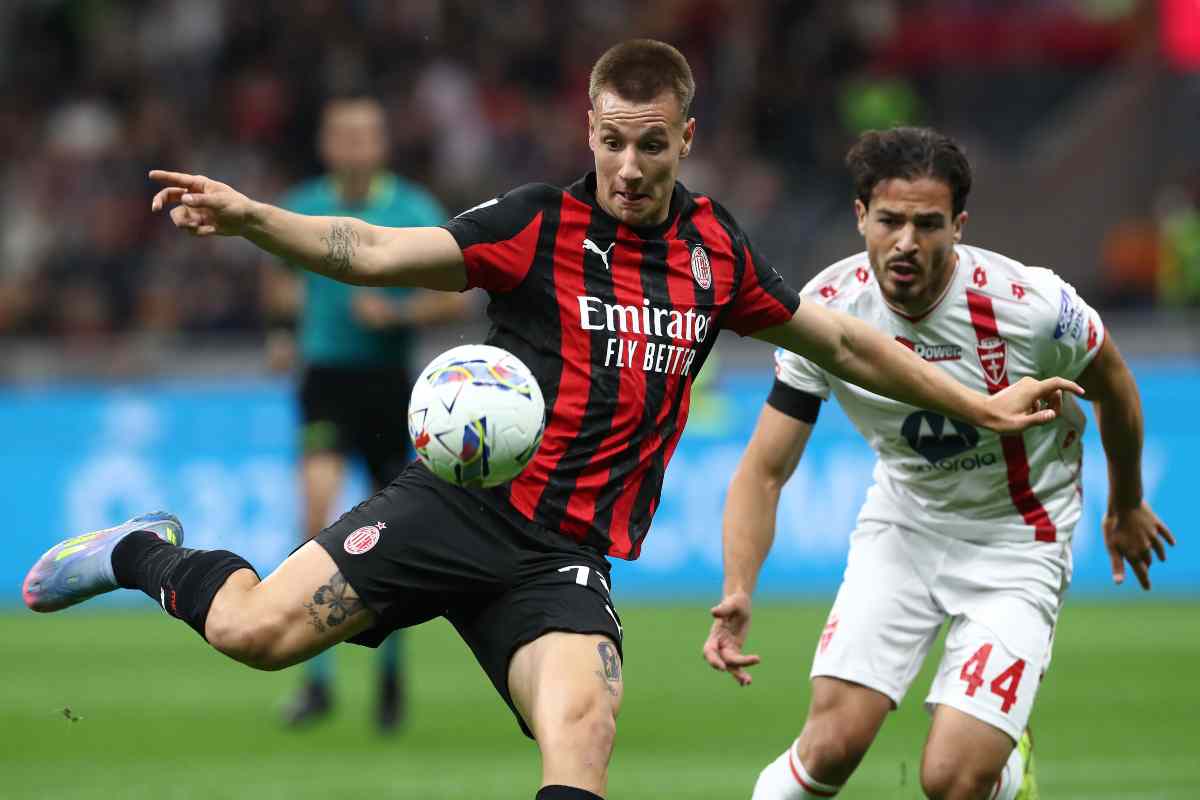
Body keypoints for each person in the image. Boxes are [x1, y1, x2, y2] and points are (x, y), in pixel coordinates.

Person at [24, 43, 1077, 800]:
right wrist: (255, 219)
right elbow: (376, 250)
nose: (629, 165)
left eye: (652, 145)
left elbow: (846, 342)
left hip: (561, 557)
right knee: (253, 632)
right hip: (451, 509)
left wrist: (976, 400)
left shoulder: (716, 252)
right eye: (613, 141)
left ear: (685, 139)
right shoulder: (535, 224)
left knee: (583, 733)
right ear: (590, 130)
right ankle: (139, 550)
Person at [701, 127, 1176, 800]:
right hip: (905, 527)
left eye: (928, 224)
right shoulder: (826, 311)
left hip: (1019, 540)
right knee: (830, 747)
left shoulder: (1030, 307)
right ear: (860, 215)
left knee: (951, 779)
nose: (906, 242)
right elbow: (764, 470)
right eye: (890, 220)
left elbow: (1118, 386)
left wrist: (1125, 502)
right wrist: (739, 586)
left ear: (959, 226)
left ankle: (1009, 768)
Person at [260, 93, 470, 730]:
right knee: (315, 515)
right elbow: (279, 279)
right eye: (342, 134)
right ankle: (316, 681)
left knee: (390, 536)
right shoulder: (300, 205)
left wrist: (398, 312)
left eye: (365, 134)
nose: (353, 145)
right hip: (325, 380)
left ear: (381, 143)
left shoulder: (412, 209)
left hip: (390, 386)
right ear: (327, 143)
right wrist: (283, 330)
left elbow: (456, 298)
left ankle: (390, 675)